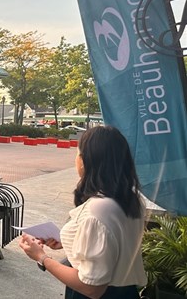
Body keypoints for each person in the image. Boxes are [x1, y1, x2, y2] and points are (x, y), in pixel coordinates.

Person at [19, 126, 147, 299]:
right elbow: (113, 244)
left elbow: (92, 287)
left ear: (86, 160)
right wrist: (68, 241)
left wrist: (42, 257)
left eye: (78, 152)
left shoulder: (97, 210)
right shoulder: (132, 200)